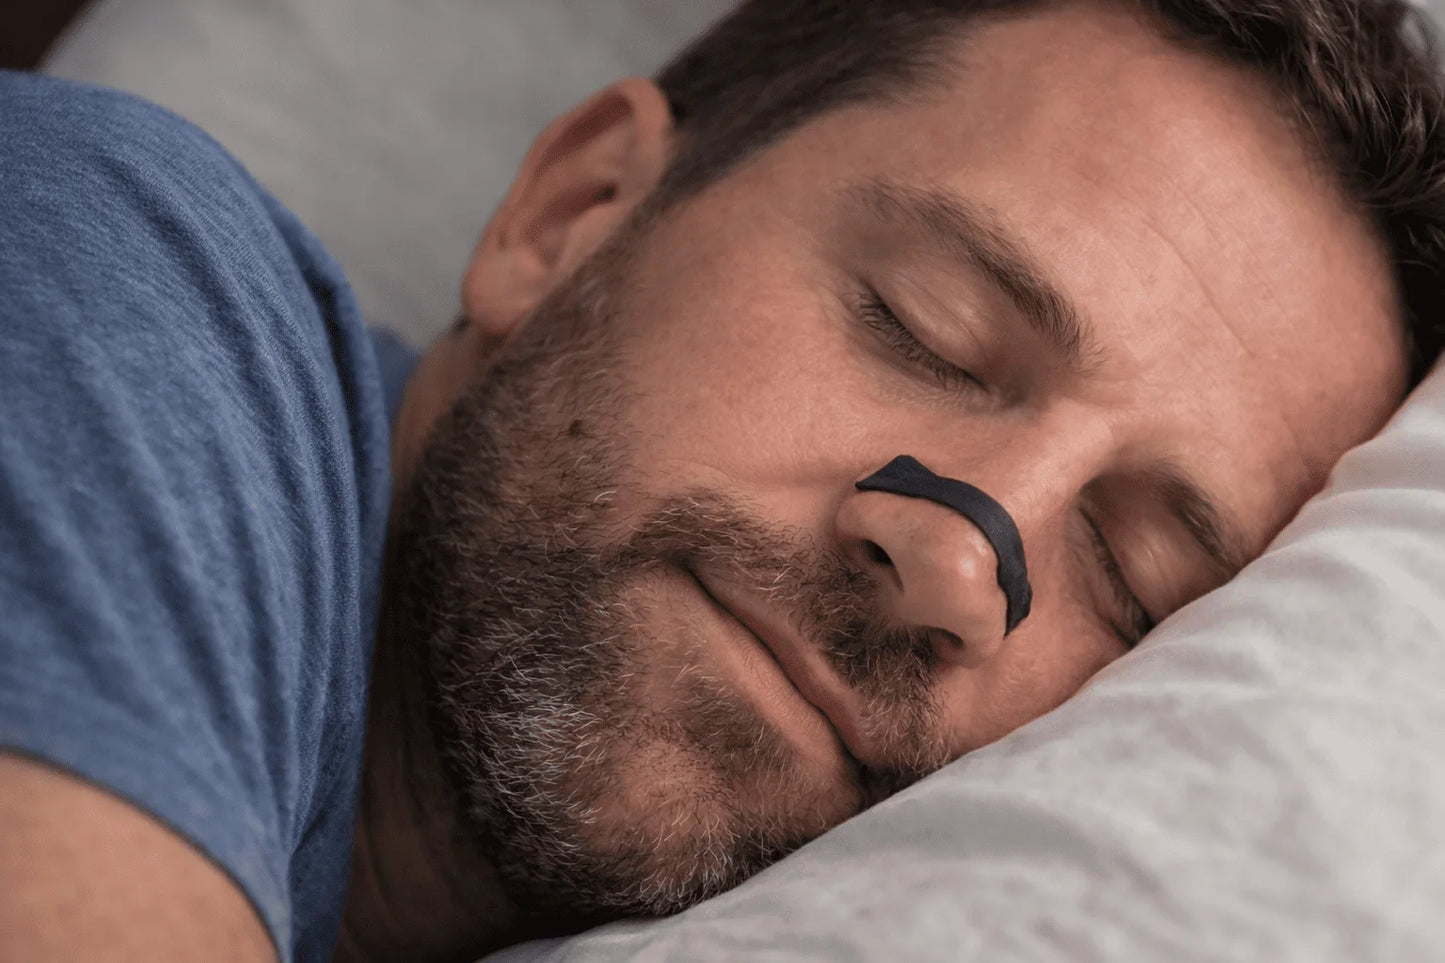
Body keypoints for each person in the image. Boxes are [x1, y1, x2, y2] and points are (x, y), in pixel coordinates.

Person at [3, 0, 1444, 959]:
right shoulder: (97, 267)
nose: (955, 565)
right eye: (923, 330)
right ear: (574, 210)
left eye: (1134, 589)